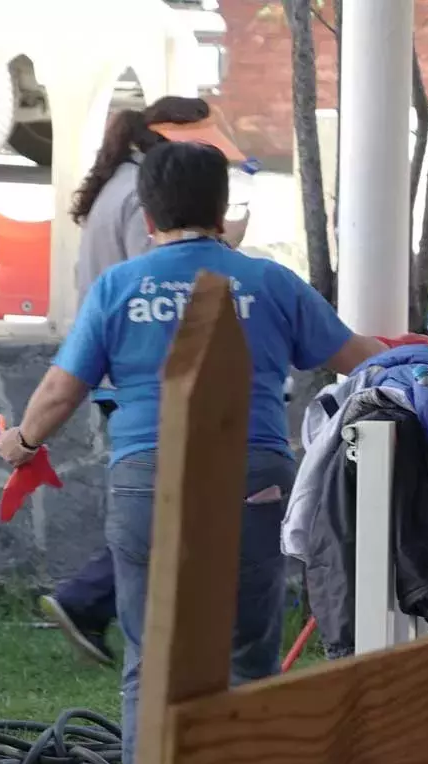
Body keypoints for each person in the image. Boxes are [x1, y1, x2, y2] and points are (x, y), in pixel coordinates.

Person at [0, 141, 385, 764]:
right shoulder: (270, 283)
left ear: (148, 214)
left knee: (153, 658)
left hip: (148, 479)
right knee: (246, 654)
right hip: (252, 476)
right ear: (222, 212)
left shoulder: (120, 286)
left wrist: (20, 443)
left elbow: (59, 391)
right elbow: (360, 357)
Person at [39, 97, 252, 666]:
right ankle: (87, 599)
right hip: (152, 384)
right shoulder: (139, 198)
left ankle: (103, 606)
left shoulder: (120, 184)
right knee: (171, 515)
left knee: (166, 513)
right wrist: (225, 248)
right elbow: (165, 282)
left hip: (124, 378)